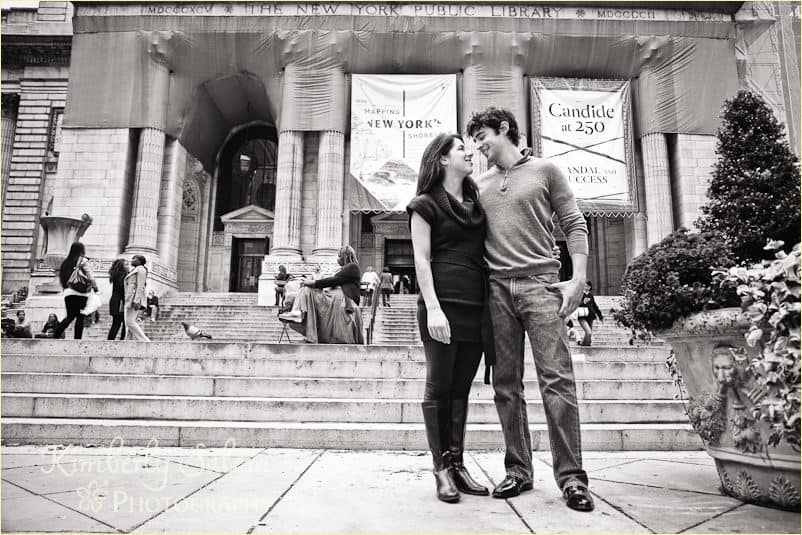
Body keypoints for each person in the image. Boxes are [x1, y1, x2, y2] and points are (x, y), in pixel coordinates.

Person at [468, 107, 595, 511]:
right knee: (506, 385)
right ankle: (518, 471)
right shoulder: (479, 184)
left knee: (557, 380)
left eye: (483, 136)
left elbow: (575, 223)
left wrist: (578, 280)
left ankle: (572, 478)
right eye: (473, 140)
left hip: (542, 285)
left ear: (505, 129)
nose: (479, 145)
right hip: (497, 293)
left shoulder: (546, 171)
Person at [407, 133, 491, 503]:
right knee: (439, 387)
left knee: (461, 389)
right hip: (442, 307)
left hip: (475, 307)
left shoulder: (476, 204)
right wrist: (434, 309)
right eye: (461, 149)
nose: (470, 152)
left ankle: (457, 463)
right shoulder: (424, 204)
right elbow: (421, 259)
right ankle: (441, 468)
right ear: (442, 159)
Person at [277, 245, 364, 344]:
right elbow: (332, 281)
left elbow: (333, 281)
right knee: (307, 290)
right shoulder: (347, 268)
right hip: (336, 297)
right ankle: (297, 311)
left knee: (308, 289)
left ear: (345, 256)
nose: (337, 259)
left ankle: (297, 312)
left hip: (344, 300)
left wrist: (313, 283)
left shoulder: (352, 267)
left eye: (339, 256)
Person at [54, 241, 98, 339]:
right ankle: (77, 339)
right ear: (82, 250)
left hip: (68, 292)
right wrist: (95, 287)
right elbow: (90, 275)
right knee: (80, 316)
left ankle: (57, 332)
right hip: (81, 292)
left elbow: (63, 278)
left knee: (70, 316)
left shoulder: (66, 262)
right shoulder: (82, 260)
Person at [123, 254, 150, 341]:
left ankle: (145, 341)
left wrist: (137, 300)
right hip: (130, 298)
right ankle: (128, 341)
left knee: (129, 322)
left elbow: (140, 286)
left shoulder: (141, 270)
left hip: (134, 299)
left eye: (134, 258)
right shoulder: (135, 270)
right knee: (129, 321)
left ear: (140, 261)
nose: (132, 259)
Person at [576, 281, 603, 346]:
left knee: (588, 335)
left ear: (590, 287)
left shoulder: (591, 295)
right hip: (582, 316)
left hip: (590, 316)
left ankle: (586, 345)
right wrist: (583, 302)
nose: (585, 287)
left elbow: (595, 306)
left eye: (587, 286)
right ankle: (582, 343)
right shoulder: (580, 294)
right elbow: (576, 304)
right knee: (588, 332)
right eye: (585, 285)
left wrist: (600, 316)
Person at [107, 258, 128, 340]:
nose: (128, 266)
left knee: (116, 324)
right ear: (121, 267)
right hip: (120, 303)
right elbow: (123, 292)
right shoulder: (123, 277)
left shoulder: (116, 275)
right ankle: (122, 341)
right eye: (126, 264)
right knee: (123, 324)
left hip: (115, 301)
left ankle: (110, 341)